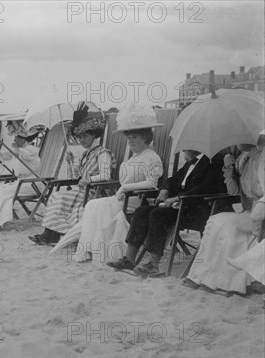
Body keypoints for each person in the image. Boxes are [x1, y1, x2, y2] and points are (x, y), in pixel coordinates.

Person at [54, 103, 164, 265]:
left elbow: (152, 183)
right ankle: (93, 250)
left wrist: (125, 187)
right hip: (123, 198)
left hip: (137, 200)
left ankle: (104, 253)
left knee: (98, 206)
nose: (130, 141)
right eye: (128, 138)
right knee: (92, 205)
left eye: (135, 138)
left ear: (145, 138)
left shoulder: (151, 157)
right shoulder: (133, 157)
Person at [107, 149, 226, 276]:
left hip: (197, 210)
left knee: (157, 214)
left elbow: (206, 187)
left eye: (186, 147)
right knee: (141, 211)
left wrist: (178, 198)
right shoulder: (191, 163)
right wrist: (165, 189)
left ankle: (153, 265)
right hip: (179, 207)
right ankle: (129, 259)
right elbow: (172, 180)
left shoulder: (214, 160)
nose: (183, 150)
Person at [184, 133, 264, 294]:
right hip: (249, 211)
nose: (236, 142)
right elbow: (234, 192)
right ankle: (201, 275)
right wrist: (229, 169)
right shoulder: (244, 159)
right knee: (216, 219)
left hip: (261, 214)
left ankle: (224, 281)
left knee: (229, 225)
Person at [29, 102, 111, 245]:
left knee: (60, 197)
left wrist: (89, 179)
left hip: (95, 192)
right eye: (79, 138)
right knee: (55, 195)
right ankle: (51, 233)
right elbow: (76, 177)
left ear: (93, 136)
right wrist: (71, 161)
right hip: (83, 191)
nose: (82, 140)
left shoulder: (102, 153)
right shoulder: (86, 154)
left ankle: (51, 235)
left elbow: (106, 175)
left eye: (85, 136)